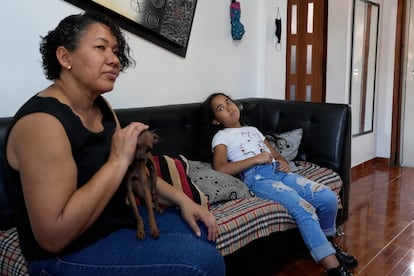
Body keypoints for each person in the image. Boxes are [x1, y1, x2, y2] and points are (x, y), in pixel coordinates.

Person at [4, 12, 225, 275]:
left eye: (116, 51)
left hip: (113, 223)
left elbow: (135, 170)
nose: (114, 60)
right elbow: (52, 237)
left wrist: (184, 200)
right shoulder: (42, 124)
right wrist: (116, 161)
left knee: (201, 233)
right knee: (203, 263)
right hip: (66, 252)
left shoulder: (102, 107)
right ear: (65, 57)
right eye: (100, 48)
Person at [201, 92, 358, 276]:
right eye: (221, 108)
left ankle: (329, 245)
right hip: (258, 178)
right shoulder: (222, 136)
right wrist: (255, 159)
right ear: (215, 120)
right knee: (303, 208)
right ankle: (334, 268)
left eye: (228, 102)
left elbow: (274, 154)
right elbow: (220, 168)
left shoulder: (252, 130)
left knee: (327, 197)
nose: (228, 107)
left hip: (277, 171)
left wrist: (282, 160)